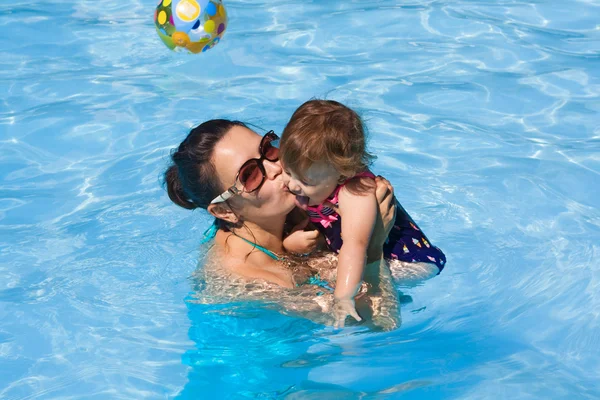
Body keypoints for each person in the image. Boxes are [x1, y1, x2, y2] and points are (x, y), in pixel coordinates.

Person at [164, 119, 399, 328]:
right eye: (250, 175)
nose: (276, 168)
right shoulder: (254, 282)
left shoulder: (292, 201)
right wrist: (373, 246)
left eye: (268, 149)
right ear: (224, 211)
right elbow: (373, 322)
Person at [279, 100, 447, 327]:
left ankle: (383, 315)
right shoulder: (317, 179)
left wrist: (343, 297)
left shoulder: (355, 191)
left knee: (342, 287)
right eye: (288, 171)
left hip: (407, 260)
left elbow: (355, 245)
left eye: (305, 181)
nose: (292, 185)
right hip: (372, 253)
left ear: (341, 174)